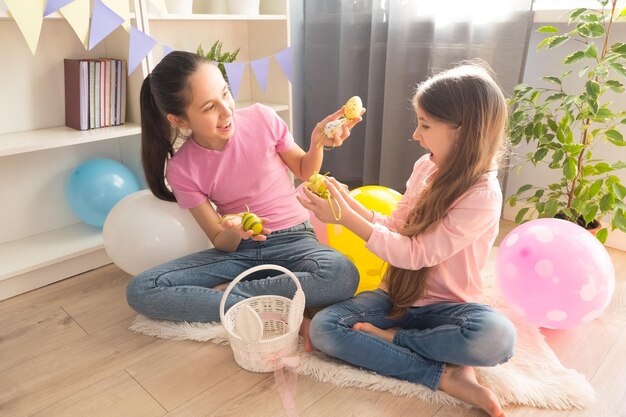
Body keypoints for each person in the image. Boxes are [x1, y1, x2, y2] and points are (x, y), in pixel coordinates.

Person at [298, 60, 516, 417]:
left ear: (462, 133)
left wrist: (347, 218)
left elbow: (417, 254)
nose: (416, 135)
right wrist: (346, 203)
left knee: (497, 338)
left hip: (448, 310)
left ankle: (394, 341)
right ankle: (441, 375)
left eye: (426, 125)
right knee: (324, 329)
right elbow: (397, 225)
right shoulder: (424, 167)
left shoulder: (482, 195)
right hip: (395, 297)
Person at [126, 51, 362, 341]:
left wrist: (317, 144)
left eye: (225, 93)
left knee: (341, 273)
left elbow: (303, 169)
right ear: (179, 119)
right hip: (238, 254)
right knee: (143, 288)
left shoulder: (263, 118)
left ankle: (233, 296)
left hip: (295, 241)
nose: (226, 111)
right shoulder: (182, 169)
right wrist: (234, 230)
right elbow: (220, 240)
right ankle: (271, 302)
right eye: (210, 107)